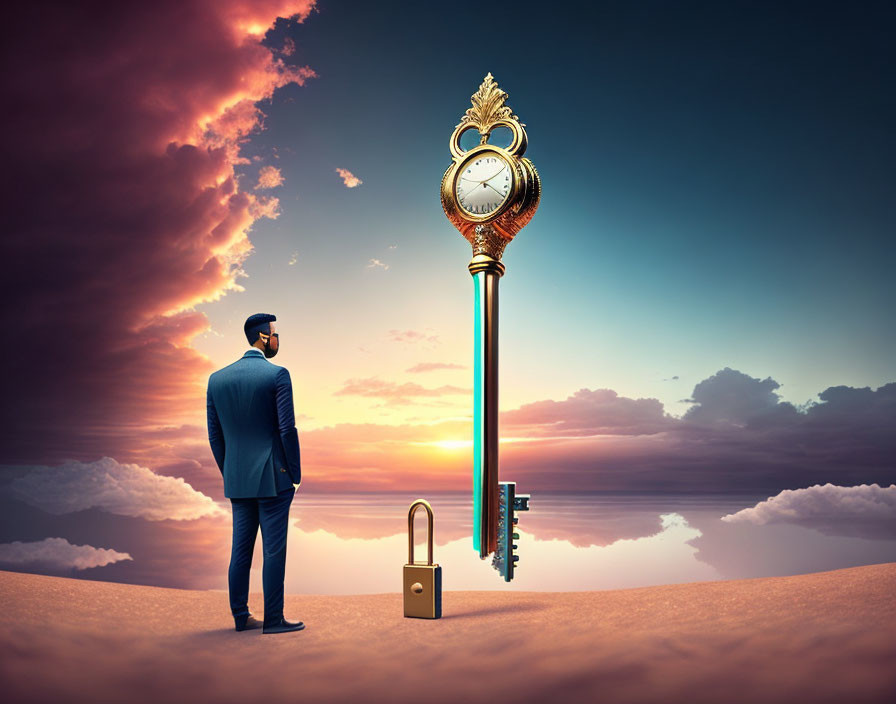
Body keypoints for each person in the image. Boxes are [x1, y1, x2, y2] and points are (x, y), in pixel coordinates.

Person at [206, 313, 304, 634]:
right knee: (273, 550)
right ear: (263, 337)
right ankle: (273, 620)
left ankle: (240, 616)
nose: (277, 339)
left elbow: (215, 436)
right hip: (274, 478)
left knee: (240, 550)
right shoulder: (277, 375)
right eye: (275, 334)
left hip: (238, 479)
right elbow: (287, 429)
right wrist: (295, 473)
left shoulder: (217, 379)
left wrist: (230, 471)